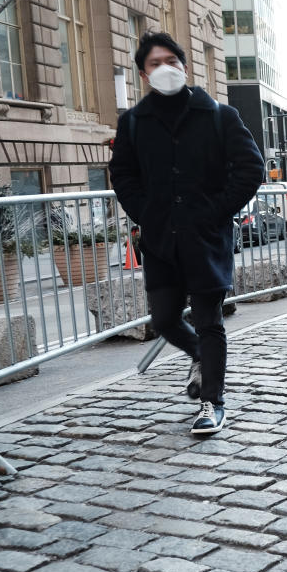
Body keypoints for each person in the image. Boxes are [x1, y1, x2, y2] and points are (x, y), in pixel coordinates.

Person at [109, 33, 265, 435]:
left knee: (209, 319)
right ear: (144, 74)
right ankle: (199, 355)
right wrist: (144, 212)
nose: (165, 68)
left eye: (171, 60)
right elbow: (122, 175)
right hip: (160, 240)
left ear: (184, 65)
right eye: (155, 63)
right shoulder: (133, 122)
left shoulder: (218, 115)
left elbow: (251, 168)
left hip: (206, 239)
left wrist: (215, 212)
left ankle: (212, 403)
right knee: (163, 319)